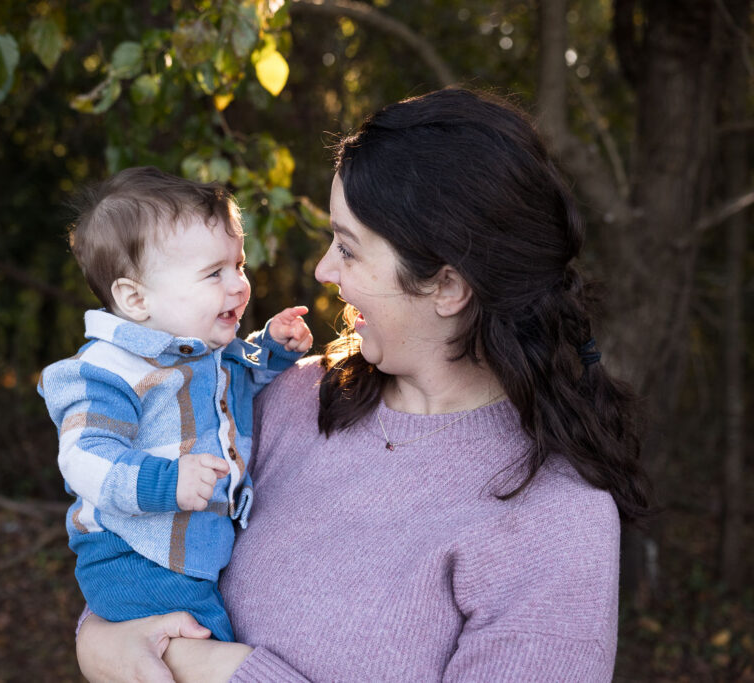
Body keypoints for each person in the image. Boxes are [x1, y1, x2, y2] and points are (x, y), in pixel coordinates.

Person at [74, 88, 651, 682]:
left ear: (448, 287)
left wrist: (224, 669)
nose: (324, 271)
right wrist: (96, 642)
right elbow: (132, 587)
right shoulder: (289, 401)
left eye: (348, 248)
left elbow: (150, 651)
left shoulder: (555, 521)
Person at [38, 166, 313, 644]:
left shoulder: (208, 351)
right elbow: (82, 457)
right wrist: (167, 481)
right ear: (135, 297)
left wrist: (271, 349)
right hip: (134, 556)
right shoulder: (109, 368)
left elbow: (243, 385)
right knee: (209, 645)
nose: (238, 285)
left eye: (239, 265)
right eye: (213, 273)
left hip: (188, 556)